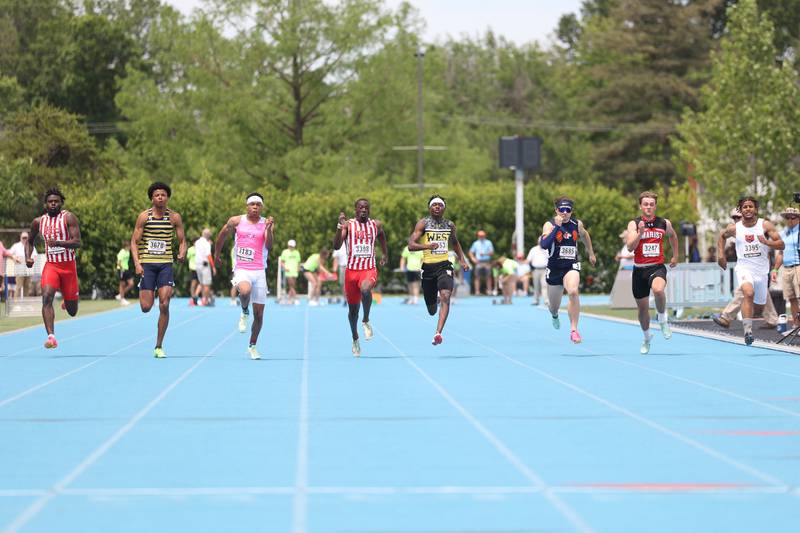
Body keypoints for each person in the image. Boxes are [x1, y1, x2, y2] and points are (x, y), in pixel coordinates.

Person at [214, 192, 274, 359]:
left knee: (260, 314)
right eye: (252, 204)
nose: (255, 207)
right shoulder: (236, 221)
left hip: (259, 270)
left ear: (261, 207)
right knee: (245, 291)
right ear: (247, 206)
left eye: (258, 204)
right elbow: (222, 236)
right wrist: (217, 253)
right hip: (242, 268)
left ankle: (252, 345)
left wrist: (269, 229)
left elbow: (269, 245)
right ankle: (244, 310)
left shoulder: (266, 223)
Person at [717, 196, 784, 346]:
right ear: (741, 211)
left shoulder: (765, 225)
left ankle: (759, 319)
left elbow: (781, 245)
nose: (748, 209)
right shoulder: (735, 228)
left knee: (759, 305)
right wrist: (720, 255)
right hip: (743, 267)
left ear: (756, 209)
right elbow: (722, 236)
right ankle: (748, 332)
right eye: (745, 207)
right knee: (748, 292)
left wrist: (767, 242)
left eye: (750, 206)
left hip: (761, 271)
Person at [131, 182, 187, 358]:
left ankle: (158, 345)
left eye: (163, 195)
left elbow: (182, 240)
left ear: (167, 197)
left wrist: (182, 252)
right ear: (152, 198)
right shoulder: (144, 217)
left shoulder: (174, 217)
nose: (160, 197)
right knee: (146, 307)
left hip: (165, 265)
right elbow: (134, 242)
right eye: (157, 195)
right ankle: (148, 290)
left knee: (164, 303)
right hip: (147, 264)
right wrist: (137, 263)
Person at [408, 195, 469, 345]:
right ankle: (434, 300)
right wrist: (427, 246)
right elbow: (411, 245)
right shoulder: (423, 223)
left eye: (440, 205)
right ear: (429, 208)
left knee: (446, 296)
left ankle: (438, 333)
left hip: (444, 265)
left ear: (444, 208)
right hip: (428, 268)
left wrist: (462, 259)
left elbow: (455, 243)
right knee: (431, 311)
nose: (437, 207)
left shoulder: (449, 225)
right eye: (434, 205)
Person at [25, 187, 82, 349]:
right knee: (47, 297)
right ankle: (51, 337)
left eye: (56, 201)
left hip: (68, 268)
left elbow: (77, 242)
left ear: (61, 203)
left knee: (72, 311)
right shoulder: (38, 222)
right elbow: (29, 241)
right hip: (52, 266)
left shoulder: (68, 218)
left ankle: (67, 300)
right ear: (45, 204)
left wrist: (58, 243)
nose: (53, 204)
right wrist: (28, 257)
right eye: (50, 202)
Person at [333, 198, 388, 357]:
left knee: (365, 289)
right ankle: (355, 338)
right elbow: (336, 246)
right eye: (360, 208)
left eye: (366, 208)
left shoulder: (375, 225)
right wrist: (339, 227)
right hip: (351, 272)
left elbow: (382, 235)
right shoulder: (348, 225)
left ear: (369, 210)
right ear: (355, 210)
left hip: (368, 269)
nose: (363, 210)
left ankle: (366, 320)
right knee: (352, 312)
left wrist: (385, 254)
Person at [626, 191, 679, 354]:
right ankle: (647, 337)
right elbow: (630, 247)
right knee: (642, 310)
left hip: (657, 267)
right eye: (645, 204)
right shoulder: (634, 224)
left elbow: (673, 236)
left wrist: (675, 255)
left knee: (658, 290)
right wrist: (640, 234)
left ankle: (663, 319)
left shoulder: (664, 223)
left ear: (655, 206)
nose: (648, 207)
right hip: (639, 270)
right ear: (641, 206)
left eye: (651, 204)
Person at [539, 197, 597, 343]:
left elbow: (585, 235)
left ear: (571, 211)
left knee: (573, 291)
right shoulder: (549, 225)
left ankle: (574, 330)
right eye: (561, 210)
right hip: (554, 269)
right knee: (554, 307)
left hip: (571, 265)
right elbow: (544, 245)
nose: (564, 213)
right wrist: (557, 228)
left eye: (568, 210)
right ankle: (554, 315)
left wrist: (590, 252)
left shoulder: (576, 224)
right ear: (556, 210)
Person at [772, 206, 799, 326]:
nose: (790, 219)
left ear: (798, 218)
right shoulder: (783, 233)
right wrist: (775, 269)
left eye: (793, 217)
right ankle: (796, 325)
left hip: (798, 267)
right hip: (786, 269)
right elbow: (780, 254)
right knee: (791, 298)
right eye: (787, 217)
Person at [10, 232, 36, 298]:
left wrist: (32, 260)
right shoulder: (16, 246)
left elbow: (35, 255)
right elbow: (9, 253)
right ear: (20, 238)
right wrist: (14, 257)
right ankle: (16, 305)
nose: (25, 239)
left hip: (28, 269)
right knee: (18, 287)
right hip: (19, 269)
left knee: (27, 287)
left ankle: (26, 305)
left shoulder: (31, 245)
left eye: (26, 237)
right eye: (23, 237)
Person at [194, 228, 216, 306]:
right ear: (208, 235)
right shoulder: (206, 243)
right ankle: (206, 300)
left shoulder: (197, 242)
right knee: (207, 284)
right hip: (204, 264)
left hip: (197, 264)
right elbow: (208, 255)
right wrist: (213, 267)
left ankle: (203, 298)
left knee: (202, 283)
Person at [468, 230, 494, 295]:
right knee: (477, 277)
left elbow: (491, 253)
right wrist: (473, 259)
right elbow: (470, 252)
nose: (481, 237)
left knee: (488, 276)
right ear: (478, 236)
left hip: (486, 262)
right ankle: (477, 291)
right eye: (480, 236)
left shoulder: (488, 242)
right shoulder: (475, 243)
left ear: (485, 236)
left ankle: (489, 291)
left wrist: (485, 254)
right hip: (478, 262)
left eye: (482, 235)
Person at [279, 239, 302, 305]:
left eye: (292, 246)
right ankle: (295, 298)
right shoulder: (285, 252)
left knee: (292, 286)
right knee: (291, 285)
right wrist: (285, 268)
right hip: (288, 271)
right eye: (290, 246)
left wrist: (298, 268)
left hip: (295, 271)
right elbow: (282, 262)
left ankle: (289, 299)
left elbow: (298, 262)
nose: (291, 247)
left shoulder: (297, 252)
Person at [116, 241, 134, 305]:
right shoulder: (122, 252)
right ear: (126, 246)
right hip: (121, 270)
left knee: (131, 283)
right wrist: (122, 268)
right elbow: (118, 262)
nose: (130, 247)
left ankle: (120, 295)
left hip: (127, 269)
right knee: (122, 284)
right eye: (129, 246)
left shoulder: (128, 252)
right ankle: (122, 300)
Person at [186, 240, 198, 306]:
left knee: (201, 283)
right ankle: (192, 297)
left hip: (200, 267)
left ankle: (195, 296)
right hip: (193, 268)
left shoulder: (200, 248)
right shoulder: (190, 249)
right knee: (193, 283)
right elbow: (188, 258)